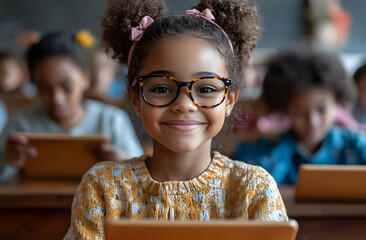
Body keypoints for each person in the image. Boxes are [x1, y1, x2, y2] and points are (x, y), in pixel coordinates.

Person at [64, 0, 288, 239]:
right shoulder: (103, 187)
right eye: (161, 89)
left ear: (230, 100)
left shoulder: (253, 189)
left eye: (206, 89)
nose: (184, 104)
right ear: (136, 99)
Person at [0, 32, 144, 182]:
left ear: (85, 78)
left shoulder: (111, 120)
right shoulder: (21, 123)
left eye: (67, 87)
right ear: (34, 84)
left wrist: (122, 162)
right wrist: (8, 161)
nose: (57, 99)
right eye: (44, 89)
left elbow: (141, 174)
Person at [235, 48, 366, 184]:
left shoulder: (355, 146)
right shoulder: (269, 148)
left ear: (336, 102)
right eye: (300, 113)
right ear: (285, 110)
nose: (313, 122)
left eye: (322, 110)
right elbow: (251, 184)